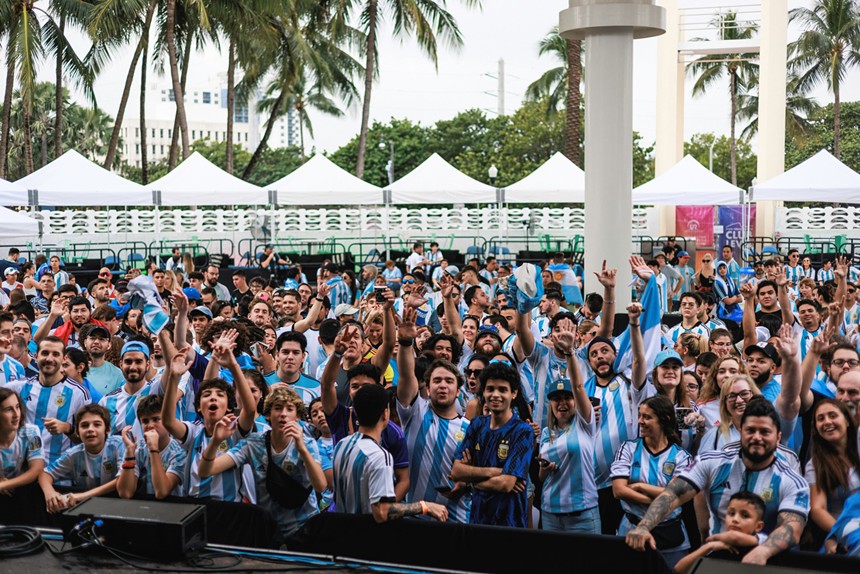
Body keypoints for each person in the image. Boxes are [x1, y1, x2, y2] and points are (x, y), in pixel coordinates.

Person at [625, 399, 810, 566]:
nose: (757, 437)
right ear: (741, 432)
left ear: (778, 437)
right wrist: (643, 527)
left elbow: (791, 528)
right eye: (750, 430)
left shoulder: (793, 481)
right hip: (717, 559)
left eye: (765, 432)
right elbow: (674, 493)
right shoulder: (712, 461)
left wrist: (762, 549)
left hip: (766, 562)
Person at [199, 387, 327, 538]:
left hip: (304, 526)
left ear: (297, 416)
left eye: (289, 409)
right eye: (277, 408)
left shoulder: (308, 443)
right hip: (270, 529)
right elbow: (205, 471)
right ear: (268, 414)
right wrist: (215, 441)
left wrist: (302, 449)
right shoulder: (253, 444)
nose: (283, 414)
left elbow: (320, 485)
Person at [396, 304, 472, 523]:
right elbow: (406, 376)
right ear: (427, 388)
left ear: (458, 391)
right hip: (413, 517)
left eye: (449, 381)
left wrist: (466, 483)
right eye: (436, 381)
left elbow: (474, 471)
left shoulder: (469, 428)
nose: (442, 386)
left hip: (455, 520)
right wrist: (405, 343)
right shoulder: (415, 411)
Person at [333, 384, 448, 522]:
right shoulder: (379, 456)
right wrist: (424, 506)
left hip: (339, 534)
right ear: (385, 413)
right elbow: (382, 512)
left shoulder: (341, 445)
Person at [450, 362, 534, 528]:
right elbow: (456, 471)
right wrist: (498, 472)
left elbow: (506, 484)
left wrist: (470, 481)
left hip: (510, 523)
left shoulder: (522, 431)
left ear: (514, 393)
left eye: (502, 389)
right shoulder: (477, 424)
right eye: (490, 389)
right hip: (477, 519)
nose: (495, 395)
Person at [612, 396, 693, 568]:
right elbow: (619, 490)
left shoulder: (682, 457)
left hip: (670, 535)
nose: (640, 421)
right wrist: (662, 500)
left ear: (665, 420)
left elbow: (679, 493)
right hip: (631, 530)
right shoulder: (627, 448)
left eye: (647, 417)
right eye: (640, 416)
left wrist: (640, 486)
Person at [537, 338, 598, 533]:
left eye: (567, 398)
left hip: (582, 513)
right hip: (550, 513)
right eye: (556, 399)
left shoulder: (585, 424)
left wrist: (571, 352)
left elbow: (579, 386)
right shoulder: (547, 433)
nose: (562, 403)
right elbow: (541, 476)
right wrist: (545, 468)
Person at [6, 336, 90, 466]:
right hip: (21, 469)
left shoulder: (78, 393)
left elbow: (88, 441)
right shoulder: (19, 388)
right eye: (45, 353)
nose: (49, 359)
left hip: (57, 473)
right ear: (36, 356)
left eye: (55, 354)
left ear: (63, 359)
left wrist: (68, 428)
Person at [38, 404, 124, 512]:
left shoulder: (119, 445)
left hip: (118, 507)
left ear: (107, 430)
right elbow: (45, 474)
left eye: (97, 424)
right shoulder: (73, 454)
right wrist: (50, 492)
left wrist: (82, 496)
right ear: (77, 432)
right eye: (84, 425)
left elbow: (122, 480)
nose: (90, 429)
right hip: (88, 509)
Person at [805, 399, 860, 539]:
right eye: (820, 419)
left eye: (833, 416)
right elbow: (818, 510)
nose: (827, 422)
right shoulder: (815, 465)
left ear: (847, 421)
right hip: (843, 533)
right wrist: (842, 534)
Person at [674, 492, 767, 574]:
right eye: (731, 513)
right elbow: (679, 570)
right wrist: (708, 547)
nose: (735, 519)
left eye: (745, 516)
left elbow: (736, 538)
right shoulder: (717, 547)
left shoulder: (764, 548)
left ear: (758, 526)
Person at [116, 395, 187, 499]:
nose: (150, 425)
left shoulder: (180, 452)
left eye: (156, 419)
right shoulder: (138, 450)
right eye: (145, 421)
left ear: (168, 420)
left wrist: (154, 450)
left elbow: (162, 492)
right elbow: (125, 493)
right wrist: (130, 452)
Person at [0, 388, 45, 496]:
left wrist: (4, 485)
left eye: (17, 407)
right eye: (9, 409)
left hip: (22, 494)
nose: (16, 414)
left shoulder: (31, 432)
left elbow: (37, 469)